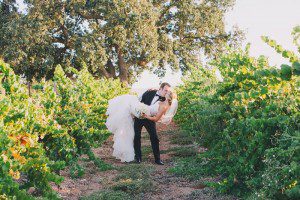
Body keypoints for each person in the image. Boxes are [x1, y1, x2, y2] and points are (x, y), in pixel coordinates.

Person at [105, 82, 178, 164]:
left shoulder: (164, 100)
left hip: (150, 119)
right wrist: (135, 113)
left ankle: (157, 159)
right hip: (139, 118)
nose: (166, 92)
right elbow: (137, 102)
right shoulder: (149, 92)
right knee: (136, 137)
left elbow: (160, 113)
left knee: (154, 138)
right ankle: (138, 158)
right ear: (160, 88)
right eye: (165, 90)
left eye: (167, 91)